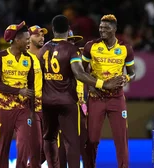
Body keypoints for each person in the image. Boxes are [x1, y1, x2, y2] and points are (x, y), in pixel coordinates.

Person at [38, 15, 123, 168]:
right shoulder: (71, 49)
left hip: (47, 102)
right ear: (68, 29)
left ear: (53, 29)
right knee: (72, 142)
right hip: (67, 102)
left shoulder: (43, 49)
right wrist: (103, 84)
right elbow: (79, 74)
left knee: (49, 138)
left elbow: (38, 77)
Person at [82, 14, 136, 168]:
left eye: (106, 28)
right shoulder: (91, 46)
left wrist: (127, 78)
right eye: (100, 27)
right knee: (92, 139)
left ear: (114, 29)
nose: (102, 30)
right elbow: (82, 71)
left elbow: (132, 72)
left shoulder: (125, 48)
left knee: (121, 139)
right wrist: (91, 86)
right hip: (96, 97)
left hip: (116, 98)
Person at [0, 21, 38, 168]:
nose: (28, 42)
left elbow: (31, 86)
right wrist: (18, 91)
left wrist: (31, 110)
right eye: (26, 40)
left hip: (23, 110)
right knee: (3, 147)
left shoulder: (28, 59)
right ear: (17, 40)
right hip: (4, 109)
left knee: (23, 144)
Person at [58, 30, 88, 168]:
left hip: (80, 108)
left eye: (73, 42)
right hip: (62, 107)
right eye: (69, 41)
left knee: (84, 144)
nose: (72, 44)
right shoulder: (56, 59)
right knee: (61, 147)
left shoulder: (79, 58)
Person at [26, 25, 48, 167]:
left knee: (48, 147)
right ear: (29, 38)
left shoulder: (47, 57)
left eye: (43, 35)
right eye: (37, 35)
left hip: (47, 107)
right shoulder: (24, 58)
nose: (42, 37)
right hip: (30, 109)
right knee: (35, 147)